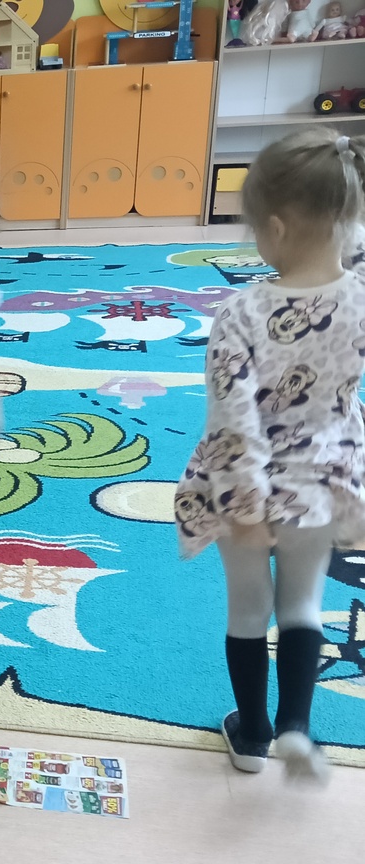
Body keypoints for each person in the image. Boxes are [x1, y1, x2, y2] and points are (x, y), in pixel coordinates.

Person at [176, 129, 365, 781]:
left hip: (244, 490)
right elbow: (347, 241)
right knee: (303, 607)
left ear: (276, 228)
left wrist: (248, 505)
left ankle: (252, 734)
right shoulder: (360, 296)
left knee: (248, 611)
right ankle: (296, 729)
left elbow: (234, 420)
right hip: (322, 483)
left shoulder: (242, 312)